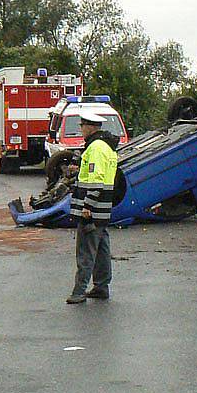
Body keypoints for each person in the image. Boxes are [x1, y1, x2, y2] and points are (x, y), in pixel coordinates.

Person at [66, 111, 119, 304]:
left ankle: (79, 291)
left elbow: (95, 179)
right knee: (102, 248)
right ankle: (101, 286)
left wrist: (87, 206)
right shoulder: (107, 146)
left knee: (85, 250)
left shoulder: (95, 148)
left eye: (81, 125)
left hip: (92, 208)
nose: (80, 129)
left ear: (90, 126)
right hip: (104, 207)